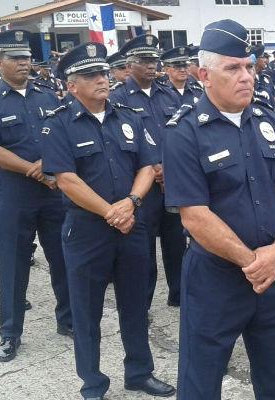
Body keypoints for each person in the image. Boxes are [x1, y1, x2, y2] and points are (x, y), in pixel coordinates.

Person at [163, 19, 275, 399]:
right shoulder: (184, 132)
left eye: (249, 65)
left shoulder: (267, 119)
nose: (247, 76)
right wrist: (253, 263)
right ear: (204, 75)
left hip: (273, 272)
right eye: (233, 68)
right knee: (201, 381)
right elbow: (194, 215)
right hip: (216, 278)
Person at [41, 42, 175, 400]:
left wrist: (130, 204)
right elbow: (65, 179)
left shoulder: (129, 115)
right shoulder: (58, 124)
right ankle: (93, 383)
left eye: (102, 73)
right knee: (87, 311)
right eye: (90, 75)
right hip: (87, 230)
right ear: (72, 85)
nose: (101, 79)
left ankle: (139, 373)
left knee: (135, 304)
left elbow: (148, 165)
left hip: (132, 225)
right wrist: (110, 212)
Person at [0, 29, 72, 363]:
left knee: (63, 258)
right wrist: (33, 169)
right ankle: (10, 333)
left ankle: (68, 319)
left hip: (52, 193)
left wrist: (49, 164)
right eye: (15, 58)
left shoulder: (49, 94)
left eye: (26, 58)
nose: (23, 64)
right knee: (14, 265)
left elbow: (65, 134)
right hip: (15, 195)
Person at [109, 34, 185, 308]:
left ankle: (179, 295)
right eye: (144, 61)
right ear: (128, 67)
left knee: (177, 242)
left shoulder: (169, 94)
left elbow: (180, 133)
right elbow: (120, 141)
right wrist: (153, 167)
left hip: (173, 181)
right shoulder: (116, 98)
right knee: (143, 250)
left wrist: (171, 166)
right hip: (141, 184)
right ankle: (142, 304)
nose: (152, 66)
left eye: (154, 60)